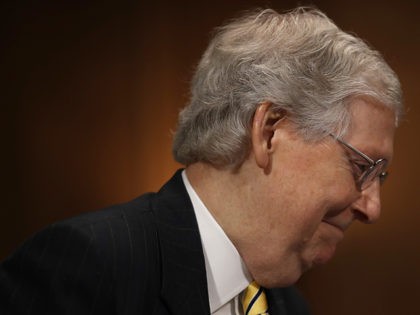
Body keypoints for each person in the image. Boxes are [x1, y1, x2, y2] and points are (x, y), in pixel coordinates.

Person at [0, 6, 403, 315]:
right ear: (269, 132)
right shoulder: (88, 268)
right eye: (362, 166)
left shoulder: (288, 306)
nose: (372, 208)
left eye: (380, 177)